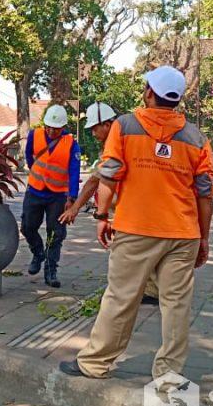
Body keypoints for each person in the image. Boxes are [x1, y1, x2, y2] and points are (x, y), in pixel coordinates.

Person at [59, 66, 213, 380]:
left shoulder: (125, 126)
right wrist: (203, 238)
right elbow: (205, 194)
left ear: (148, 92)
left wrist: (102, 216)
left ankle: (95, 363)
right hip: (183, 233)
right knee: (176, 305)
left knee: (121, 297)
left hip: (135, 229)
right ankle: (168, 374)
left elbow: (109, 175)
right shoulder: (197, 137)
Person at [59, 100, 161, 306]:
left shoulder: (119, 141)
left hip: (131, 208)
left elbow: (95, 181)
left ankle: (123, 296)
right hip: (142, 205)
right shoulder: (129, 137)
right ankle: (150, 291)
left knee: (125, 253)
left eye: (95, 128)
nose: (94, 134)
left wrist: (85, 211)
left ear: (107, 124)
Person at [22, 104, 81, 288]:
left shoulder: (71, 144)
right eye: (48, 127)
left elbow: (74, 171)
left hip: (57, 196)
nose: (51, 131)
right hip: (35, 191)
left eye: (55, 129)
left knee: (55, 234)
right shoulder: (34, 135)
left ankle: (50, 270)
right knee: (27, 227)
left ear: (62, 128)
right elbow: (29, 157)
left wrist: (72, 198)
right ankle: (38, 252)